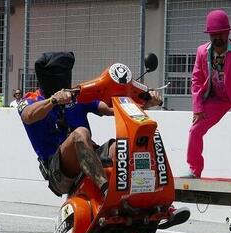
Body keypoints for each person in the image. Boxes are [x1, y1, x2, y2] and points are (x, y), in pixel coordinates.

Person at [19, 51, 161, 197]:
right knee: (80, 133)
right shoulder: (31, 99)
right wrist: (53, 101)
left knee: (122, 148)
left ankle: (143, 194)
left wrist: (146, 104)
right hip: (58, 171)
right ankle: (106, 191)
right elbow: (28, 116)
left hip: (89, 157)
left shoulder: (76, 95)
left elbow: (110, 109)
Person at [187, 9, 231, 178]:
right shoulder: (202, 52)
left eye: (221, 34)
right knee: (195, 129)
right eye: (214, 35)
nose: (217, 38)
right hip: (216, 98)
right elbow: (196, 80)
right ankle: (194, 169)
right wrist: (198, 109)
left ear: (228, 32)